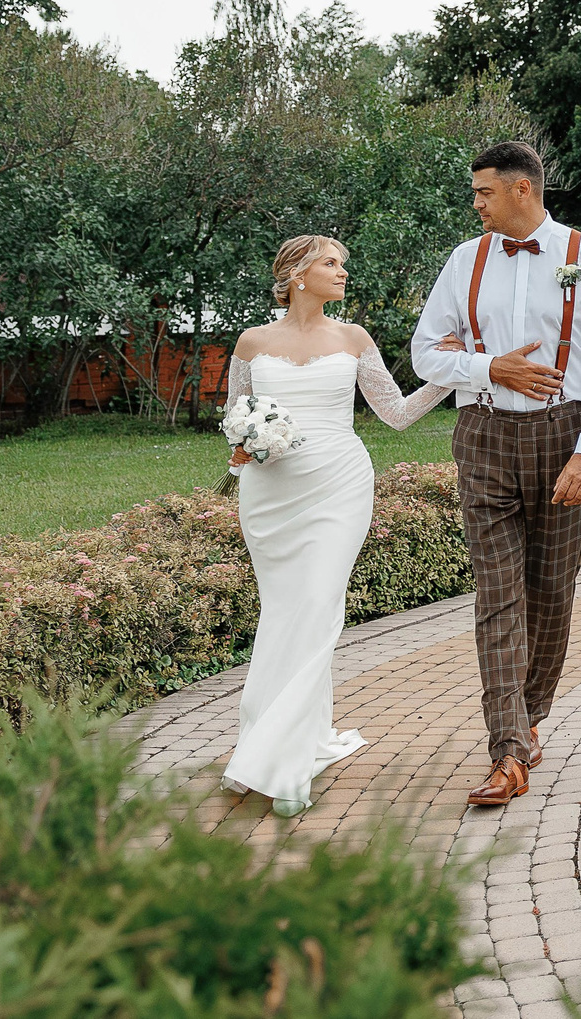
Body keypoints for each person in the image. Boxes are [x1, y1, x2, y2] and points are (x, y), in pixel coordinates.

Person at [411, 140, 581, 808]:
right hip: (483, 436)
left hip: (563, 435)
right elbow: (426, 351)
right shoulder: (464, 261)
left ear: (521, 190)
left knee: (550, 593)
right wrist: (487, 368)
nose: (475, 203)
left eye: (483, 191)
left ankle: (531, 712)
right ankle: (508, 750)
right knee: (497, 598)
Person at [221, 235, 452, 815]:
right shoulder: (252, 342)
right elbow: (235, 417)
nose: (343, 272)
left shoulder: (353, 338)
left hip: (339, 485)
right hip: (271, 494)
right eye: (332, 263)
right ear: (297, 273)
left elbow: (395, 415)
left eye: (342, 264)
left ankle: (287, 762)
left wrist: (451, 377)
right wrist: (244, 446)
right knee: (283, 612)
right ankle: (265, 738)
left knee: (320, 607)